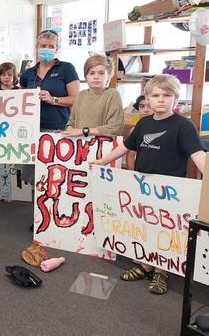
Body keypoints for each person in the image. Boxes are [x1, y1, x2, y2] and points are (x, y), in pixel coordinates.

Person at [90, 74, 206, 295]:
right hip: (141, 185)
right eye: (155, 95)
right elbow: (125, 147)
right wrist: (102, 161)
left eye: (167, 95)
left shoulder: (184, 126)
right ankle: (144, 265)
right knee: (142, 226)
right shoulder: (143, 123)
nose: (161, 100)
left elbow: (198, 155)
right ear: (148, 99)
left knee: (165, 230)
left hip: (169, 191)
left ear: (176, 99)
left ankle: (162, 272)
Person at [19, 29, 79, 131]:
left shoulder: (66, 68)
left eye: (51, 46)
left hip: (59, 129)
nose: (46, 49)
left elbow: (76, 100)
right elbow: (21, 98)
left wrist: (53, 99)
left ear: (56, 49)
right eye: (43, 46)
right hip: (31, 128)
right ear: (36, 48)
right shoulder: (27, 74)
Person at [62, 55, 124, 138]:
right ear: (86, 76)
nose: (96, 77)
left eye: (101, 73)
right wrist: (68, 131)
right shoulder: (80, 95)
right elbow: (71, 122)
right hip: (80, 145)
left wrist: (84, 131)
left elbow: (115, 128)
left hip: (102, 146)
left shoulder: (113, 94)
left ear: (108, 76)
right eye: (91, 73)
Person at [126, 95, 153, 170]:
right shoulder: (134, 130)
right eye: (142, 106)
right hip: (140, 171)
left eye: (149, 106)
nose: (146, 110)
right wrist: (132, 174)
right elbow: (131, 155)